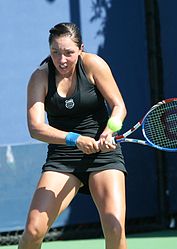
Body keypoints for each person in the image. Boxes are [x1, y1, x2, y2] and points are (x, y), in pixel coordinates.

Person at [18, 22, 127, 249]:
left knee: (115, 229)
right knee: (33, 231)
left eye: (68, 52)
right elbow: (36, 127)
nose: (62, 59)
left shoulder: (94, 65)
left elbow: (119, 106)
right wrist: (74, 139)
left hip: (103, 156)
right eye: (55, 52)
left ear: (81, 49)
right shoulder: (39, 77)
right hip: (63, 158)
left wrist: (110, 129)